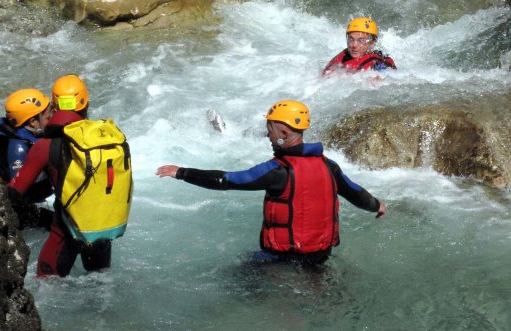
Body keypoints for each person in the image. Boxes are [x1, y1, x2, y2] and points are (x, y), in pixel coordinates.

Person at [156, 100, 386, 266]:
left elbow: (227, 180)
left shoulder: (278, 171)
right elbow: (356, 193)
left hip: (282, 259)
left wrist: (182, 172)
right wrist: (377, 205)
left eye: (270, 130)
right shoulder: (329, 166)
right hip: (320, 257)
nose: (268, 136)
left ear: (283, 132)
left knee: (232, 272)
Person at [7, 74, 132, 277]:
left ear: (54, 106)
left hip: (64, 233)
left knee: (46, 286)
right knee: (99, 285)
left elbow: (16, 192)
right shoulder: (108, 139)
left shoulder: (45, 146)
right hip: (102, 231)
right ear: (86, 104)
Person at [0, 88, 54, 230]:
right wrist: (55, 184)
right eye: (48, 117)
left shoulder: (19, 133)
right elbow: (19, 193)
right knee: (59, 226)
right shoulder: (18, 147)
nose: (52, 119)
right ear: (33, 122)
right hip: (14, 209)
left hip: (14, 201)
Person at [322, 17, 396, 76]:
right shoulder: (344, 55)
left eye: (361, 41)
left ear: (372, 43)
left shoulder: (378, 65)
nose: (354, 45)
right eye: (351, 39)